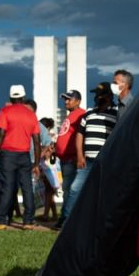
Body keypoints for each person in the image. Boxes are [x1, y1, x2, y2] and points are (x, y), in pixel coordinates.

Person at [61, 82, 118, 220]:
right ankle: (67, 221)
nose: (97, 97)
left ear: (108, 96)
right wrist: (80, 155)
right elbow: (80, 134)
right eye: (96, 95)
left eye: (100, 94)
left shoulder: (116, 113)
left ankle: (100, 220)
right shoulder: (89, 114)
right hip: (86, 162)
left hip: (105, 161)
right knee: (75, 189)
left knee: (102, 192)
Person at [0, 85, 41, 230]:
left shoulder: (5, 111)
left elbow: (1, 134)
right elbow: (36, 141)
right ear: (23, 98)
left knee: (7, 188)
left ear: (11, 97)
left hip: (8, 155)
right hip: (24, 156)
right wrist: (36, 163)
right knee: (27, 188)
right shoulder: (31, 115)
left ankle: (0, 221)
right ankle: (28, 221)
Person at [53, 89, 86, 229]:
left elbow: (82, 136)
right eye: (65, 99)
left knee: (71, 190)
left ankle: (66, 218)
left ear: (78, 101)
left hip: (73, 159)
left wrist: (79, 156)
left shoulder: (81, 114)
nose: (66, 101)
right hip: (65, 159)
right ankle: (65, 217)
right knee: (67, 190)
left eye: (69, 99)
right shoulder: (71, 115)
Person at [38, 116, 59, 222]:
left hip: (50, 166)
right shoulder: (52, 137)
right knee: (49, 191)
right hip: (48, 166)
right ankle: (54, 214)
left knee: (49, 191)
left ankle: (46, 214)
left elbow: (49, 153)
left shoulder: (50, 137)